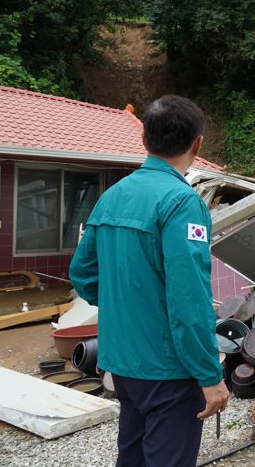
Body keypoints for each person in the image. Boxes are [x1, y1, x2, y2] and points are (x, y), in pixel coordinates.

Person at [70, 95, 229, 467]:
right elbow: (189, 300)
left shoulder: (112, 197)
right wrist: (209, 376)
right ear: (197, 144)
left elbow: (82, 274)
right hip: (168, 371)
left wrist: (126, 311)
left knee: (134, 457)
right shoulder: (181, 202)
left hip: (122, 364)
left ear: (144, 138)